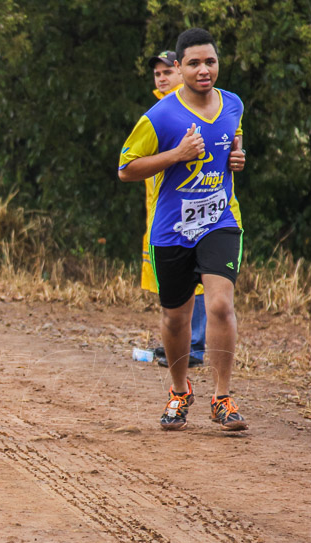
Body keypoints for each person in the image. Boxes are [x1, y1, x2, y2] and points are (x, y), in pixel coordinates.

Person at [118, 27, 247, 432]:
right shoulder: (160, 116)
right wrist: (177, 154)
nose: (203, 69)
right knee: (175, 320)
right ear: (179, 67)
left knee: (221, 306)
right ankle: (179, 391)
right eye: (193, 63)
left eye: (210, 61)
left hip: (220, 220)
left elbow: (233, 139)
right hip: (172, 229)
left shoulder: (233, 103)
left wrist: (238, 157)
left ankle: (223, 398)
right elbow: (126, 168)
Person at [142, 51, 206, 369]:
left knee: (198, 278)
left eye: (168, 71)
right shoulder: (157, 113)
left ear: (182, 72)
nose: (162, 78)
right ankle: (179, 343)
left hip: (193, 210)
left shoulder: (192, 112)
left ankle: (194, 345)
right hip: (161, 210)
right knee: (172, 282)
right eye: (157, 74)